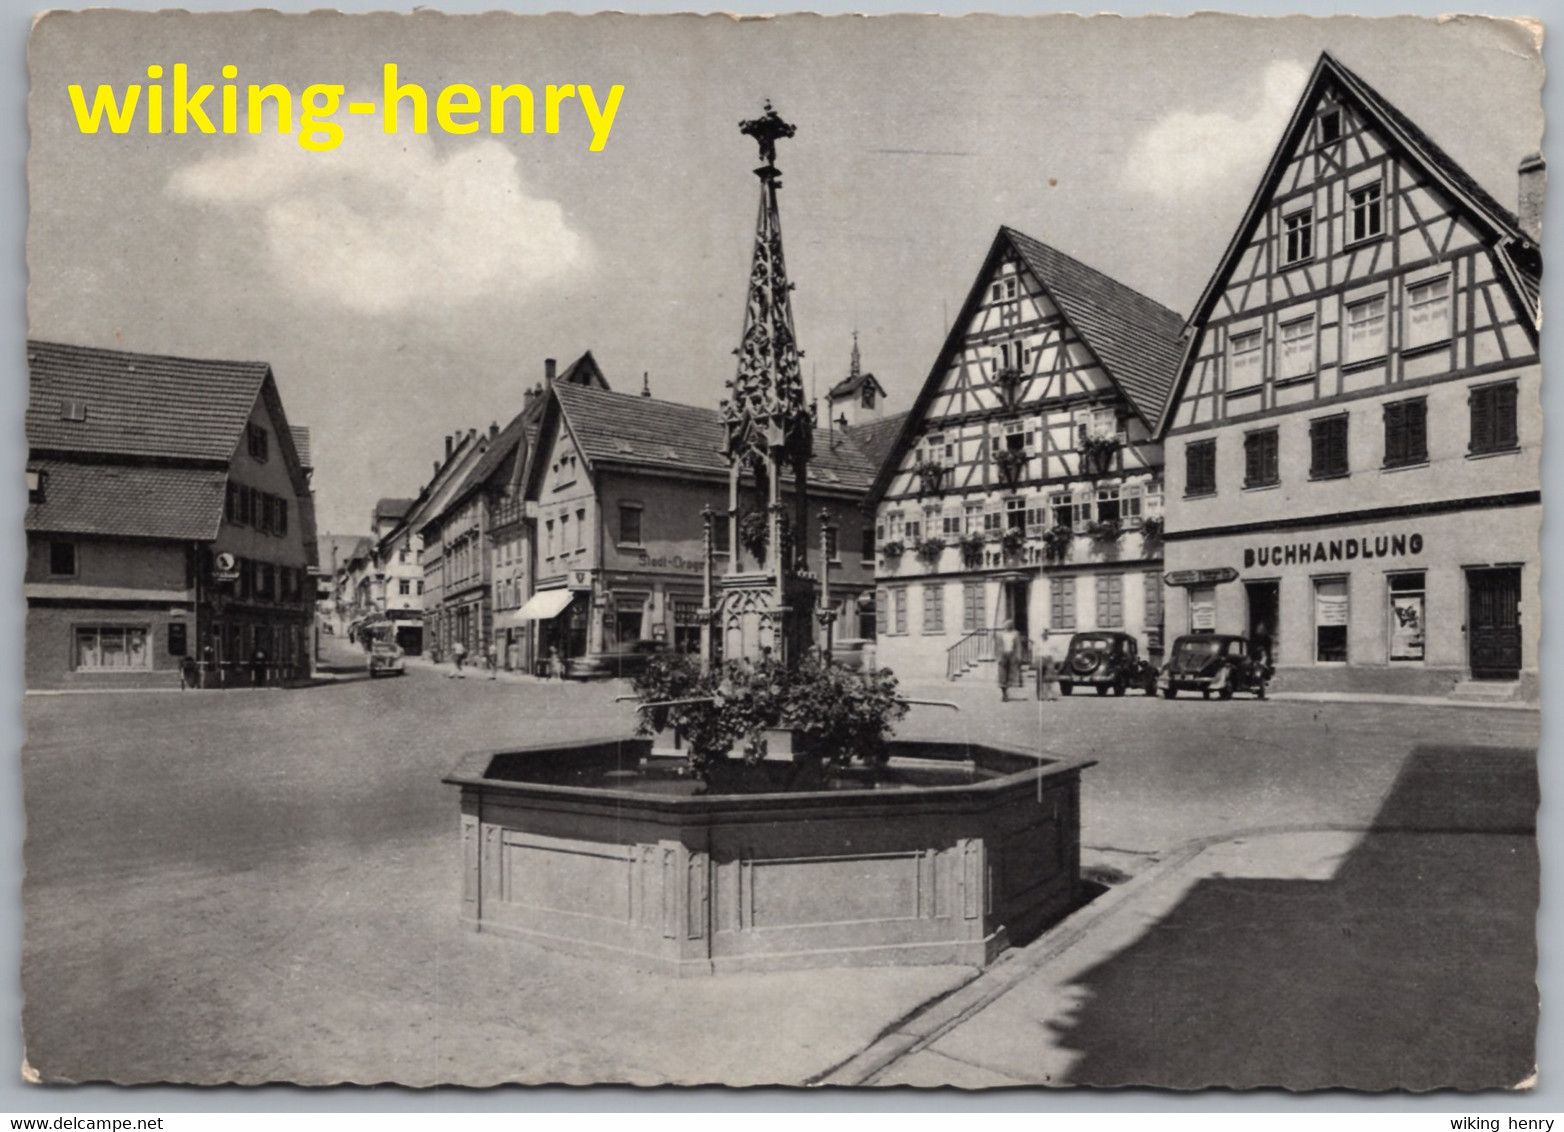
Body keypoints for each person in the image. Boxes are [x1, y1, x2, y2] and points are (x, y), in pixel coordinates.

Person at [995, 619, 1021, 702]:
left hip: (1011, 655)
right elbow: (997, 646)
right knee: (1002, 675)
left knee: (1010, 675)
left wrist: (1018, 656)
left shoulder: (1015, 634)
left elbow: (1018, 646)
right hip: (1003, 656)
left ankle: (1007, 691)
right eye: (1006, 624)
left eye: (1009, 624)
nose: (1007, 626)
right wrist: (997, 657)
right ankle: (1004, 693)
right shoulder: (1000, 635)